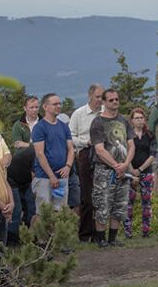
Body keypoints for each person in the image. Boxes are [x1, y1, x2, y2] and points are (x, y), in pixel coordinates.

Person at [89, 89, 134, 247]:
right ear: (104, 102)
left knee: (120, 204)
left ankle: (113, 238)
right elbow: (99, 149)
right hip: (105, 170)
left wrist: (126, 164)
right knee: (103, 203)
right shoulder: (98, 122)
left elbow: (131, 144)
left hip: (123, 168)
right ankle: (101, 238)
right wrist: (116, 166)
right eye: (111, 100)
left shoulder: (124, 120)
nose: (115, 102)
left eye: (117, 99)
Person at [69, 83, 104, 242]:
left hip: (103, 155)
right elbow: (70, 137)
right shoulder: (79, 114)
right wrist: (86, 141)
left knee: (102, 195)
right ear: (90, 96)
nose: (100, 100)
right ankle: (85, 233)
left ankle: (99, 233)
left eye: (101, 97)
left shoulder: (105, 114)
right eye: (97, 97)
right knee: (86, 197)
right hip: (84, 154)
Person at [31, 92, 74, 217]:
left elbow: (71, 149)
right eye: (55, 104)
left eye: (59, 103)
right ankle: (42, 237)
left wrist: (68, 166)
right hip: (44, 177)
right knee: (43, 213)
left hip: (62, 176)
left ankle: (56, 237)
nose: (58, 106)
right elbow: (40, 153)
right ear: (45, 107)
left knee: (60, 211)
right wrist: (51, 175)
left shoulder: (64, 127)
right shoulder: (39, 128)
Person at [124, 107, 155, 238]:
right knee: (129, 203)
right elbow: (125, 153)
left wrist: (141, 170)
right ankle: (127, 232)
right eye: (136, 118)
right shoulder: (128, 136)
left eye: (141, 118)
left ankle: (146, 230)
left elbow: (153, 155)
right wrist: (132, 171)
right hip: (130, 172)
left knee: (146, 203)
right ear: (131, 120)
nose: (139, 120)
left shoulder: (150, 135)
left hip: (146, 171)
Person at [5, 145, 36, 246]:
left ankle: (26, 234)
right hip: (12, 180)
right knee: (17, 210)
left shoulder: (35, 149)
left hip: (25, 181)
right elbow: (34, 174)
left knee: (31, 207)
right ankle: (11, 238)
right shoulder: (35, 152)